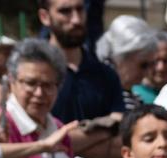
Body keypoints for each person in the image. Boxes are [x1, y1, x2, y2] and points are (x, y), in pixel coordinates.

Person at [39, 0, 120, 132]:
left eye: (80, 9)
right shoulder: (31, 76)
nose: (76, 20)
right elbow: (31, 139)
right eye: (65, 11)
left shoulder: (106, 75)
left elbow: (119, 132)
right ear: (45, 17)